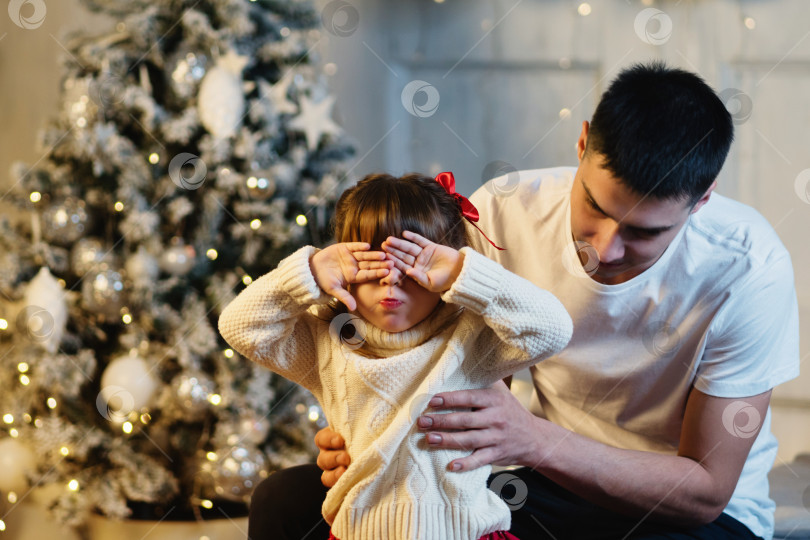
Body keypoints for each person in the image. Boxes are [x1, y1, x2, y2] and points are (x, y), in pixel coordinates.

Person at [253, 62, 800, 539]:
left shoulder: (750, 269)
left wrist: (534, 440)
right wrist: (378, 437)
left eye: (643, 232)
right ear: (582, 144)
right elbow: (461, 384)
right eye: (596, 208)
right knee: (288, 503)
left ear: (702, 200)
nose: (605, 248)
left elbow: (705, 490)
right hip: (533, 484)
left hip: (683, 516)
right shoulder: (504, 211)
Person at [218, 172, 574, 540]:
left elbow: (553, 330)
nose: (390, 280)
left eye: (409, 264)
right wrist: (306, 272)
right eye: (371, 262)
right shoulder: (327, 338)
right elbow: (239, 327)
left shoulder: (471, 338)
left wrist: (462, 272)